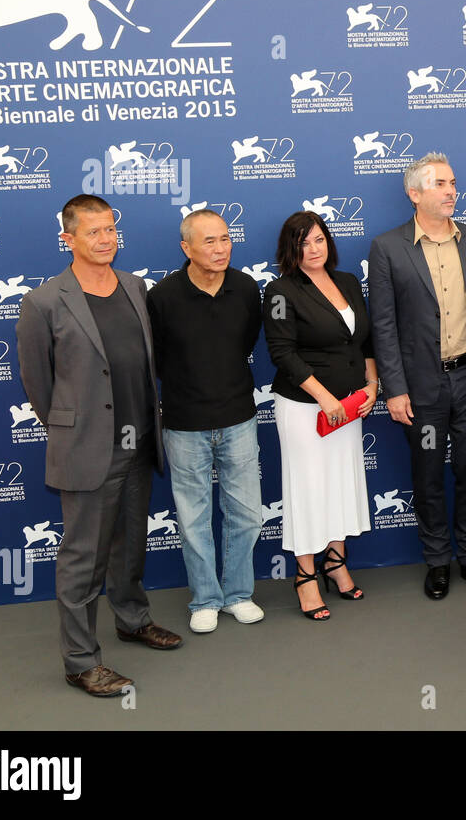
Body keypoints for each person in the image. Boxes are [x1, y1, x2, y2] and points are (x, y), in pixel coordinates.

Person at [16, 194, 181, 697]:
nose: (106, 239)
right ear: (67, 239)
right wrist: (75, 430)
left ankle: (132, 619)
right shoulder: (43, 301)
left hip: (140, 441)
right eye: (94, 232)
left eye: (111, 229)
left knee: (130, 544)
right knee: (83, 558)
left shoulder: (134, 287)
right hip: (89, 448)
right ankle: (80, 661)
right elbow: (39, 386)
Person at [368, 152, 466, 600]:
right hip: (422, 388)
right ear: (414, 194)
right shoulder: (388, 248)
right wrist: (396, 389)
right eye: (440, 184)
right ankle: (437, 561)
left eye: (452, 183)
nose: (451, 191)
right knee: (427, 476)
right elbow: (383, 326)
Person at [147, 209, 265, 634]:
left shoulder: (247, 288)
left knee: (247, 512)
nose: (221, 248)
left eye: (225, 239)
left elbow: (247, 341)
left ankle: (237, 594)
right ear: (187, 248)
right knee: (194, 517)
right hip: (184, 423)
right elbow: (156, 358)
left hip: (238, 416)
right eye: (209, 241)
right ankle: (206, 598)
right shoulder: (162, 297)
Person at [263, 211, 378, 619]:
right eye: (303, 243)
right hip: (305, 409)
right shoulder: (279, 292)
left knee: (339, 484)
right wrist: (325, 398)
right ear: (290, 250)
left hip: (349, 406)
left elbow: (364, 340)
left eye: (319, 240)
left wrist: (373, 385)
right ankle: (306, 576)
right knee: (309, 489)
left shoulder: (347, 282)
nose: (313, 250)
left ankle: (335, 563)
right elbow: (282, 353)